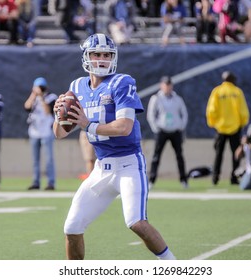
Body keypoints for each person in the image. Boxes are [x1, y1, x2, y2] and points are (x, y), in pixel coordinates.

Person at [53, 33, 176, 260]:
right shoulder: (77, 86)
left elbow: (124, 127)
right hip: (101, 169)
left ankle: (172, 265)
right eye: (96, 54)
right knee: (71, 227)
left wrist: (88, 125)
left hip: (128, 165)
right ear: (86, 57)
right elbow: (59, 133)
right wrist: (58, 115)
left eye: (106, 55)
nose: (101, 59)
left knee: (136, 222)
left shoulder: (122, 82)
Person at [206, 71, 249, 185]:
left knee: (218, 154)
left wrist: (213, 123)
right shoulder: (237, 92)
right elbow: (243, 111)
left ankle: (215, 176)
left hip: (221, 127)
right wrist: (242, 123)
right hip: (235, 127)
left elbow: (211, 110)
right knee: (236, 154)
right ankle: (234, 177)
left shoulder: (217, 91)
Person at [147, 75, 188, 189]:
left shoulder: (178, 99)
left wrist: (181, 126)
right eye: (166, 85)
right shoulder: (156, 98)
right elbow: (151, 115)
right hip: (162, 131)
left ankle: (184, 180)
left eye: (169, 85)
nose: (168, 87)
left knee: (179, 156)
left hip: (175, 132)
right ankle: (152, 180)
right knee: (156, 157)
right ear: (161, 86)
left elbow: (184, 114)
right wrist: (156, 128)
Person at [24, 77, 57, 191]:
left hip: (47, 132)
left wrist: (41, 97)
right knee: (35, 160)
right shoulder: (33, 98)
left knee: (49, 159)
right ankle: (36, 182)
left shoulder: (51, 97)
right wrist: (34, 95)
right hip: (34, 132)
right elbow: (27, 107)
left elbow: (48, 111)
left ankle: (51, 182)